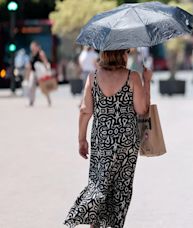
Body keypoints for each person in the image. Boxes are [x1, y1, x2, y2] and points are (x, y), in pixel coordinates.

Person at [64, 48, 152, 228]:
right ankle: (112, 224)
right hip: (126, 140)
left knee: (100, 182)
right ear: (122, 54)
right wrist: (147, 81)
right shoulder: (132, 77)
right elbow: (142, 109)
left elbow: (85, 111)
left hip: (102, 139)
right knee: (121, 186)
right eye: (126, 51)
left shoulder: (93, 77)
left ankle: (90, 219)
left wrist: (81, 139)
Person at [26, 41, 51, 106]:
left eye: (33, 46)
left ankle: (48, 100)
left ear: (36, 46)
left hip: (40, 73)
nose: (31, 48)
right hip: (33, 72)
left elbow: (45, 61)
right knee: (31, 86)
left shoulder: (40, 53)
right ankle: (31, 101)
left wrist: (47, 70)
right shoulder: (31, 54)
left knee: (43, 86)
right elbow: (29, 65)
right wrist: (28, 75)